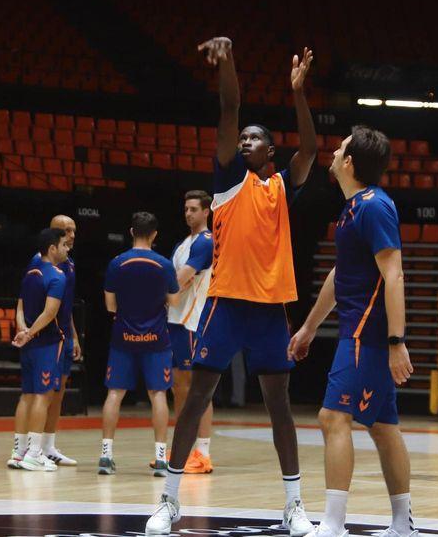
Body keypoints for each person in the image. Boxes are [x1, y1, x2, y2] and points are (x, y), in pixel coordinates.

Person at [146, 37, 317, 536]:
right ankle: (169, 501)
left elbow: (309, 148)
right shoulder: (226, 181)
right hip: (224, 304)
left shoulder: (284, 185)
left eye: (254, 138)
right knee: (195, 398)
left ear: (271, 149)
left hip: (269, 309)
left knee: (279, 407)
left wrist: (299, 93)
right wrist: (231, 61)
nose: (244, 141)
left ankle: (294, 505)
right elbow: (229, 104)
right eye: (241, 138)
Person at [288, 126, 417, 537]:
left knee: (332, 417)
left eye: (340, 147)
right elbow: (340, 275)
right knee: (383, 426)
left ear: (350, 163)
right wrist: (309, 327)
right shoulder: (351, 208)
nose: (334, 151)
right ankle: (402, 525)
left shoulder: (374, 206)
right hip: (358, 331)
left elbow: (393, 274)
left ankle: (333, 523)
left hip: (367, 334)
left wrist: (396, 342)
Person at [99, 212, 180, 476]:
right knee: (158, 394)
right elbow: (175, 301)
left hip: (123, 337)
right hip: (156, 339)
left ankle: (106, 455)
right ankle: (160, 459)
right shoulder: (164, 265)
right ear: (154, 234)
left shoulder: (116, 263)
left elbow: (110, 305)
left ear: (131, 232)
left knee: (115, 394)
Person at [7, 228, 70, 471]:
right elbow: (50, 312)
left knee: (27, 395)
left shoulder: (29, 274)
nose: (67, 249)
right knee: (43, 397)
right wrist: (31, 333)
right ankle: (34, 452)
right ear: (52, 248)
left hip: (29, 343)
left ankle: (18, 451)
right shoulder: (57, 276)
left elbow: (20, 308)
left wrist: (23, 331)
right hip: (46, 343)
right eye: (64, 245)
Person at [168, 190, 215, 473]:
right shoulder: (183, 243)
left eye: (194, 209)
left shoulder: (206, 242)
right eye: (186, 209)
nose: (188, 214)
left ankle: (203, 452)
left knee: (200, 389)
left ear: (206, 211)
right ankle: (184, 449)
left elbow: (177, 281)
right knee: (179, 387)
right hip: (175, 319)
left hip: (192, 322)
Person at [31, 215, 82, 467]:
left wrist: (73, 335)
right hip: (47, 338)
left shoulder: (69, 263)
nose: (71, 235)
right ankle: (32, 448)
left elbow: (66, 305)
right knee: (43, 393)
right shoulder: (40, 263)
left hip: (64, 336)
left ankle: (49, 446)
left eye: (74, 230)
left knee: (58, 393)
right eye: (66, 230)